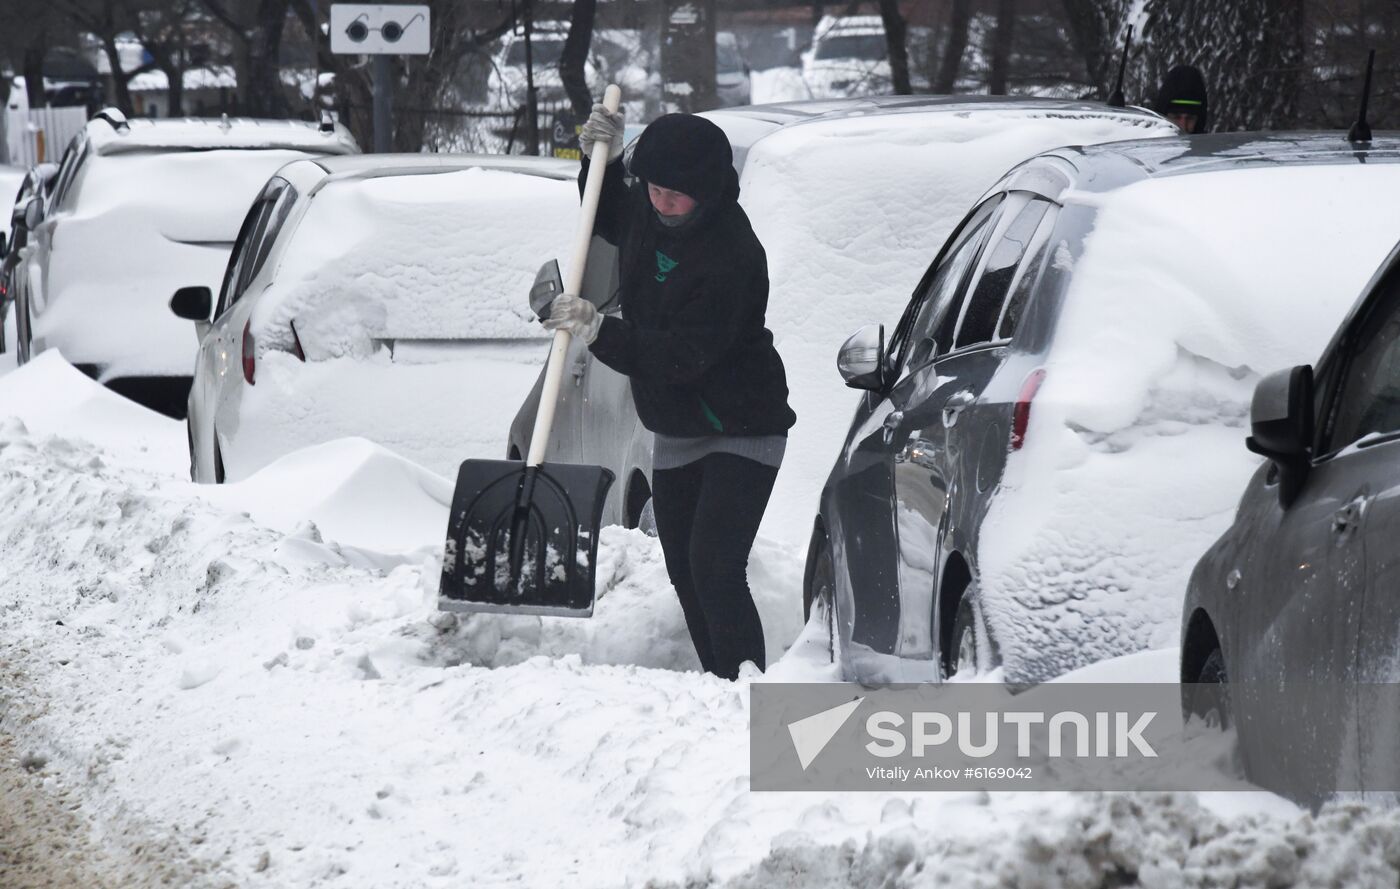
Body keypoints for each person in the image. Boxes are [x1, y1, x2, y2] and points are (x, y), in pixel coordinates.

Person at [540, 105, 796, 681]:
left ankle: (745, 688)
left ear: (705, 192)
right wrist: (595, 159)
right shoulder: (649, 214)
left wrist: (600, 330)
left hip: (742, 424)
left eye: (675, 195)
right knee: (683, 566)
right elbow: (606, 214)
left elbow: (681, 357)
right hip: (678, 424)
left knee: (715, 566)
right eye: (654, 188)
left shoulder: (732, 254)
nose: (661, 202)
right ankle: (718, 685)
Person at [1154, 65, 1209, 134]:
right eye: (1176, 117)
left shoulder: (1210, 144)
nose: (1183, 126)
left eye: (1190, 118)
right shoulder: (1143, 142)